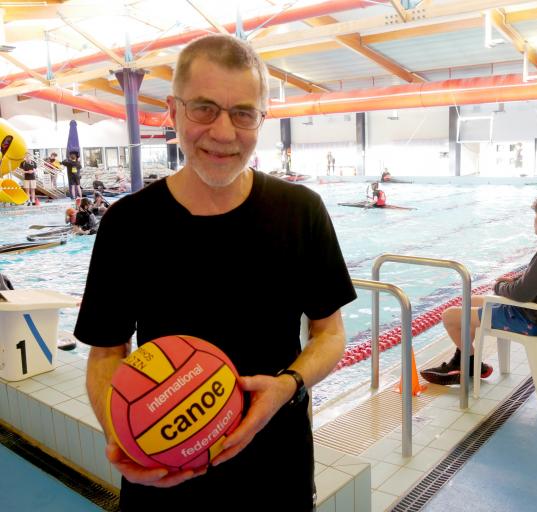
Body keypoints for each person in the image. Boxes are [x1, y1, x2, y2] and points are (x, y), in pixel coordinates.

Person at [74, 34, 356, 511]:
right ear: (173, 110)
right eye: (204, 108)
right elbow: (107, 355)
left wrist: (287, 385)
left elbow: (329, 334)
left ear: (262, 119)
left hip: (276, 470)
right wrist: (127, 436)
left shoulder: (300, 210)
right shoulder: (128, 224)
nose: (224, 133)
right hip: (165, 479)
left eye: (243, 113)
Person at [421, 193, 537, 385]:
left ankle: (471, 362)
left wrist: (500, 286)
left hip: (525, 317)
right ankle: (463, 359)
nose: (534, 221)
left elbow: (522, 293)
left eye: (536, 217)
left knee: (449, 316)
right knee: (471, 301)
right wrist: (516, 281)